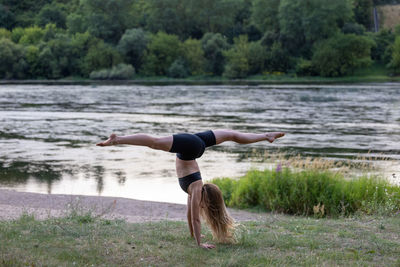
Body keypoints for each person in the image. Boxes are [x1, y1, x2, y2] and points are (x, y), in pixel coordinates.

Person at [97, 129, 284, 249]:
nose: (201, 208)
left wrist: (193, 234)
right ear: (207, 200)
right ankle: (117, 139)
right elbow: (195, 217)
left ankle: (266, 136)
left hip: (194, 145)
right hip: (192, 147)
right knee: (154, 142)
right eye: (205, 207)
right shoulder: (196, 189)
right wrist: (199, 243)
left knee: (232, 136)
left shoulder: (193, 192)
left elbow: (189, 215)